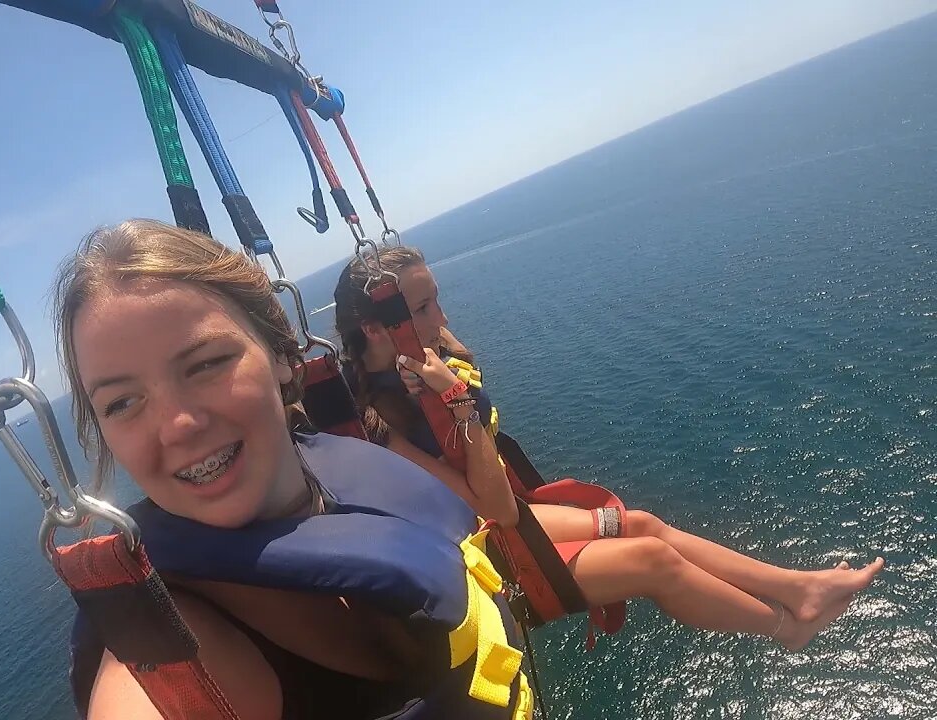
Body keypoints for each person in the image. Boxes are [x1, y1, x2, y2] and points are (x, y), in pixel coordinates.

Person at [54, 220, 536, 720]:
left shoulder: (336, 462)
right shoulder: (168, 659)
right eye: (122, 402)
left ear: (282, 356)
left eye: (205, 365)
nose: (177, 426)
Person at [332, 245, 884, 651]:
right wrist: (454, 399)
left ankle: (799, 588)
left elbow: (459, 356)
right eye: (423, 309)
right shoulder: (383, 431)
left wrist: (448, 371)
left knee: (642, 523)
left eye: (436, 302)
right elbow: (492, 511)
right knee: (652, 559)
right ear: (376, 330)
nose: (442, 320)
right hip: (475, 555)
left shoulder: (427, 362)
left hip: (509, 519)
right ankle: (790, 630)